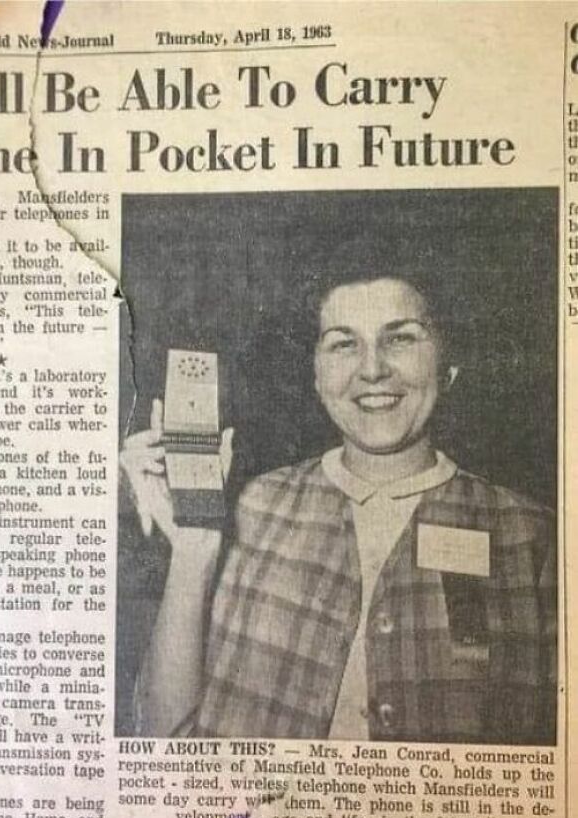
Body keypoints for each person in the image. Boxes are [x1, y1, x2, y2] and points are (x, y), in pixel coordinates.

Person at [120, 272, 556, 743]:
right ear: (315, 373)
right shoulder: (253, 504)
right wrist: (194, 539)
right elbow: (161, 741)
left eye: (401, 338)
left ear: (448, 365)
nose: (372, 369)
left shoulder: (529, 533)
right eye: (343, 344)